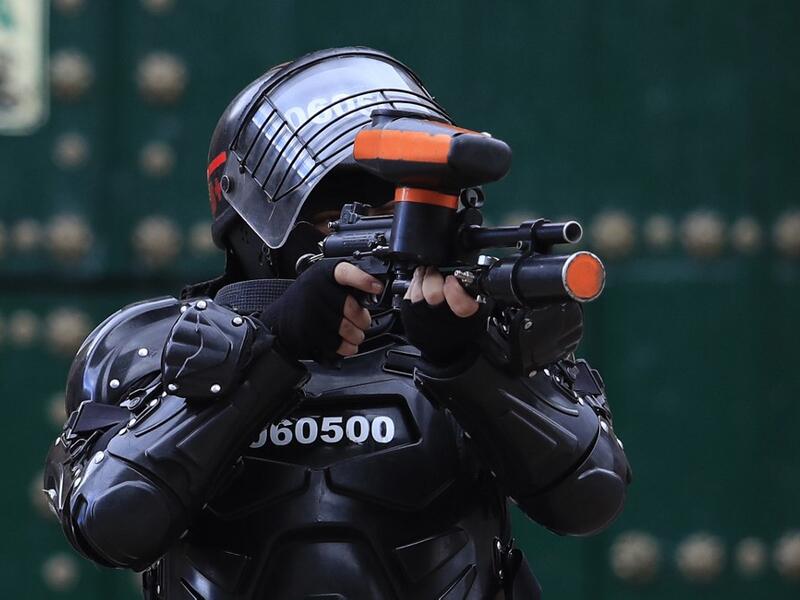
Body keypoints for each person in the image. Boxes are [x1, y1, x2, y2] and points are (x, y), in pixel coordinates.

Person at [44, 47, 631, 600]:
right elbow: (114, 521)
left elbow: (590, 497)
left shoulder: (479, 327)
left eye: (401, 210)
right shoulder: (157, 346)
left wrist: (469, 365)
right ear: (257, 220)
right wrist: (270, 349)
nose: (393, 235)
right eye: (342, 211)